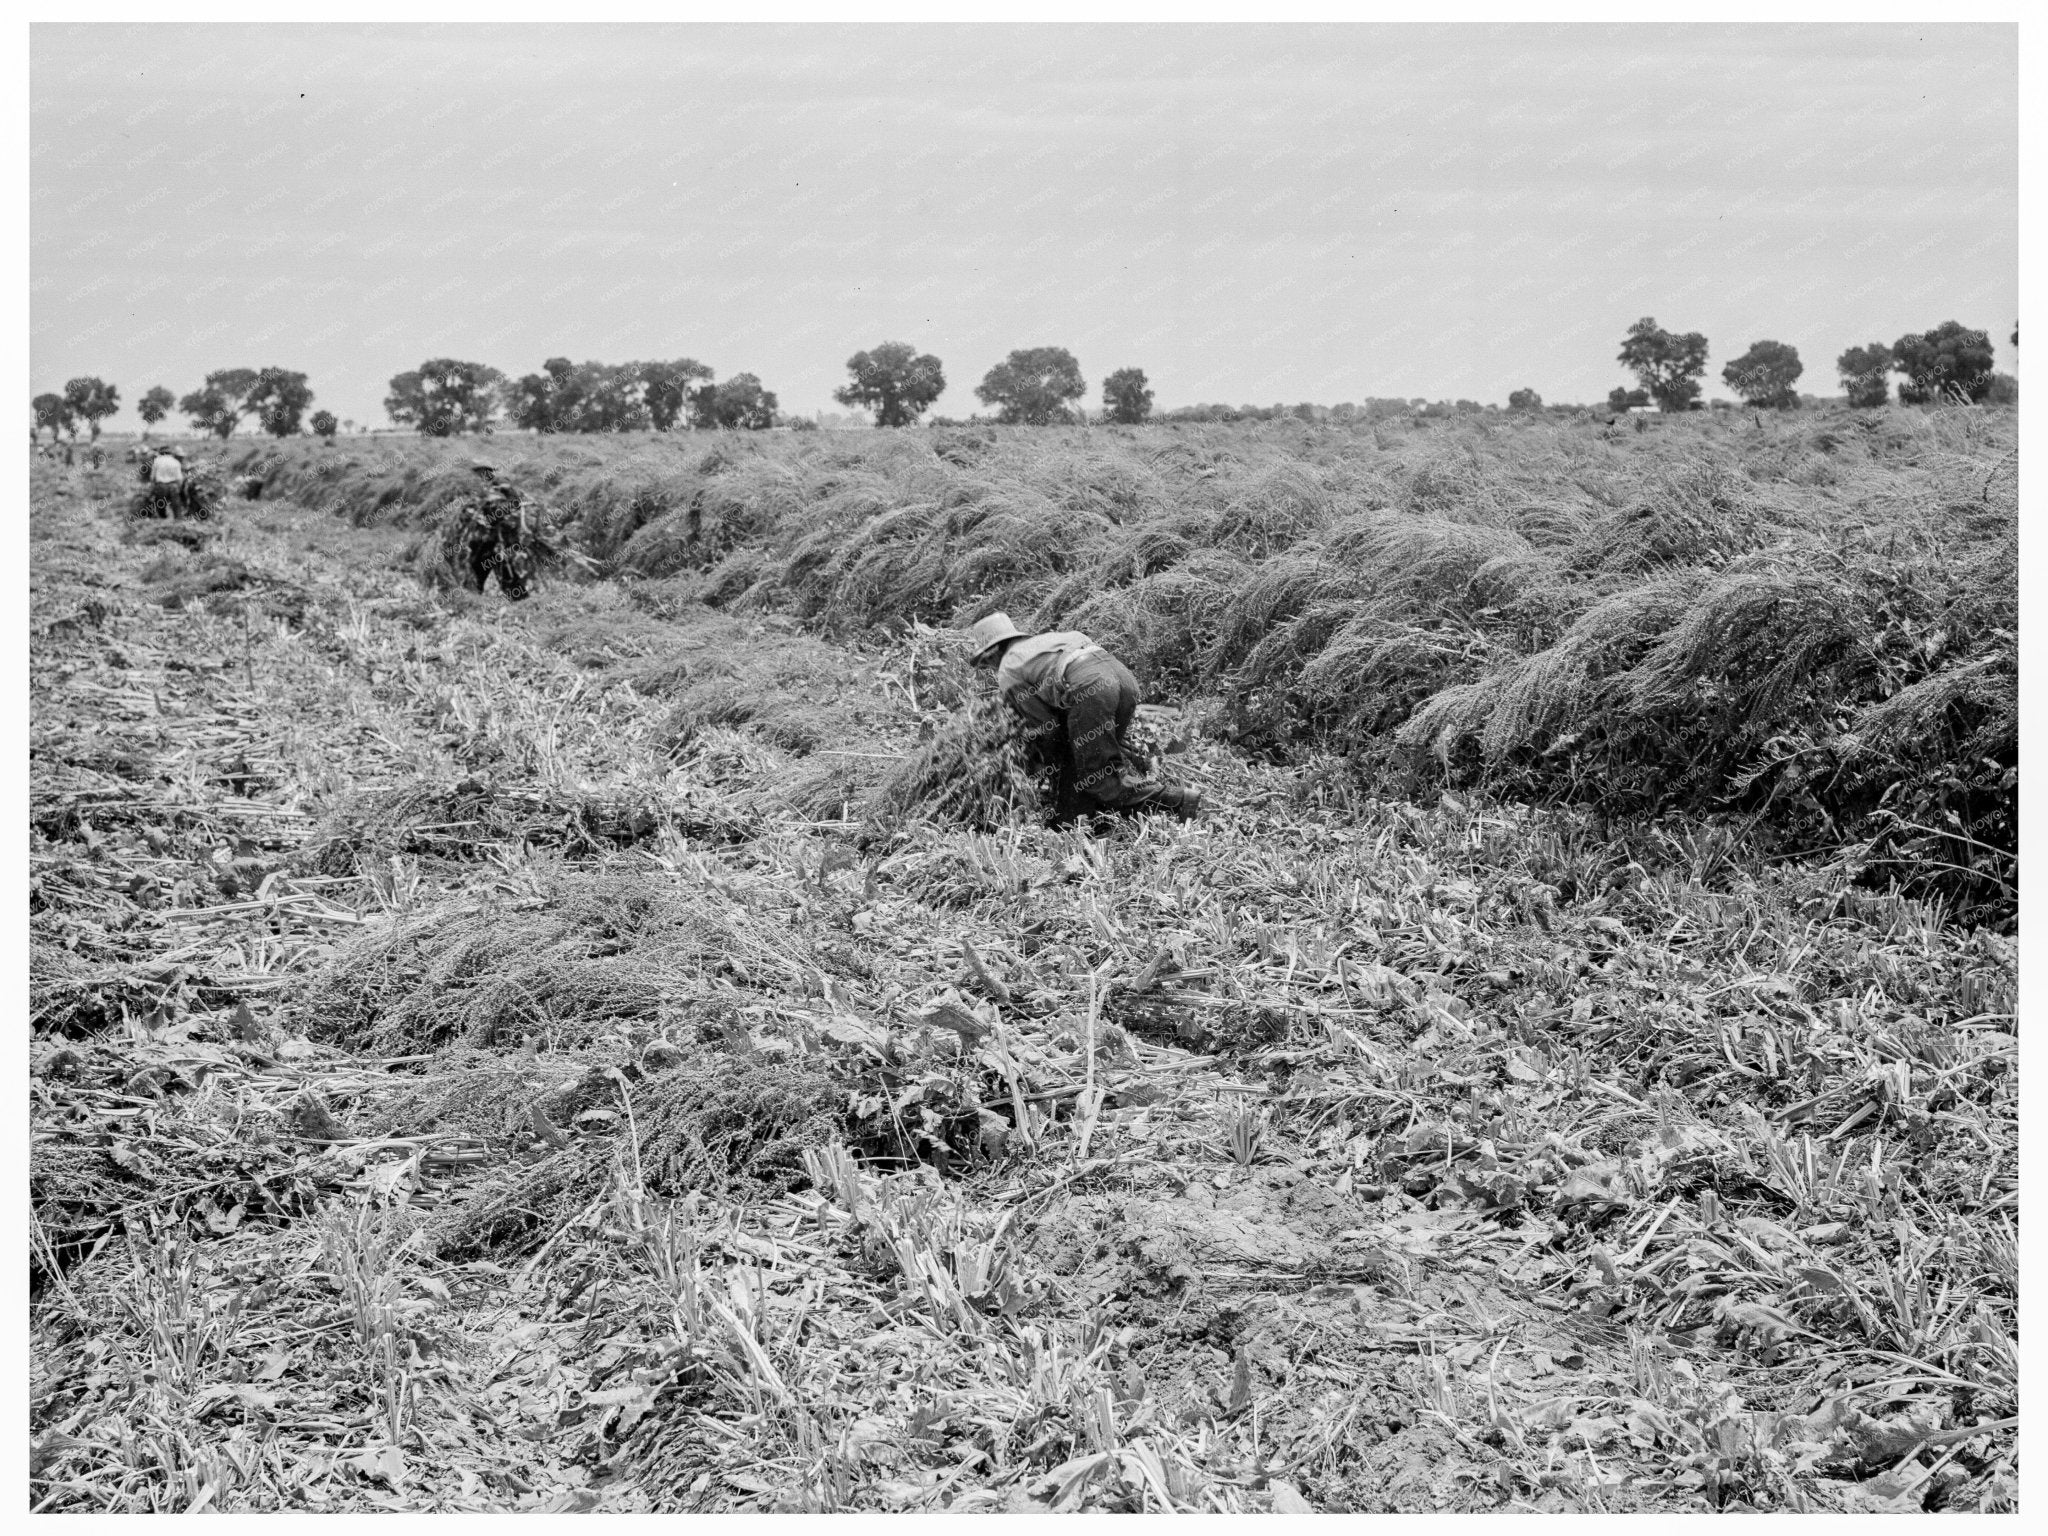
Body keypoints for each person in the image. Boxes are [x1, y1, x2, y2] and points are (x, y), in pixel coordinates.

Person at [968, 613, 1200, 823]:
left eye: (987, 662)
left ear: (994, 651)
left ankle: (1177, 800)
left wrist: (1041, 762)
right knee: (1087, 761)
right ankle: (1076, 819)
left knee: (1099, 777)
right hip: (1121, 678)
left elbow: (1046, 728)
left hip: (1092, 687)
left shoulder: (1008, 668)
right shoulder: (1043, 642)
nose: (990, 668)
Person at [449, 460, 542, 600]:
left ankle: (519, 599)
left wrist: (496, 512)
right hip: (484, 537)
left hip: (501, 536)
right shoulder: (478, 488)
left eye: (479, 472)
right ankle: (473, 597)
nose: (477, 475)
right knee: (479, 567)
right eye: (476, 473)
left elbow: (515, 503)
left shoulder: (501, 485)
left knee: (501, 569)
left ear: (486, 471)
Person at [141, 444, 187, 516]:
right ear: (170, 453)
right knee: (176, 506)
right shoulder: (175, 462)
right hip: (173, 486)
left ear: (160, 453)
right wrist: (179, 489)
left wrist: (153, 488)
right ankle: (178, 521)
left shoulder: (157, 461)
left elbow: (152, 477)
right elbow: (179, 479)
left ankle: (163, 520)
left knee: (161, 507)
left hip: (161, 486)